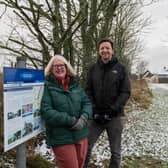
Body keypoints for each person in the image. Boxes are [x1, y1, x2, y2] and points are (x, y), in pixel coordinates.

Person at [84, 38, 131, 168]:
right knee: (85, 148)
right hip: (95, 117)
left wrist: (112, 110)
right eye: (102, 48)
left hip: (115, 117)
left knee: (115, 152)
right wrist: (93, 110)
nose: (105, 50)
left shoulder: (121, 68)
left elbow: (125, 92)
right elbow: (88, 90)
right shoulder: (93, 69)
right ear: (99, 51)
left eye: (107, 48)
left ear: (112, 51)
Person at [40, 55, 92, 168]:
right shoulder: (47, 86)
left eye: (62, 65)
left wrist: (84, 117)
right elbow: (46, 111)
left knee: (80, 165)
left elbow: (87, 103)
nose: (59, 68)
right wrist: (71, 121)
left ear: (66, 67)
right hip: (61, 137)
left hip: (81, 133)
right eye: (56, 66)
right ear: (51, 69)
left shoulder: (75, 85)